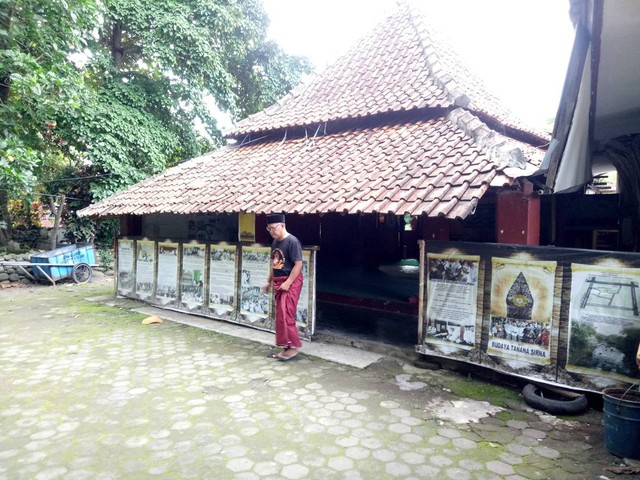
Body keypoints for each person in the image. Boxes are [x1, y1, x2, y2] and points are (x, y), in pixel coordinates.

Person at [261, 213, 304, 360]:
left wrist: (288, 283)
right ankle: (286, 347)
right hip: (279, 281)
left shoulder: (292, 241)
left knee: (287, 314)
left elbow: (298, 264)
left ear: (282, 226)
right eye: (269, 229)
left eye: (273, 228)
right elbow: (274, 265)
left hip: (290, 282)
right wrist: (268, 281)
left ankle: (292, 347)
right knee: (281, 316)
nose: (272, 231)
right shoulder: (275, 243)